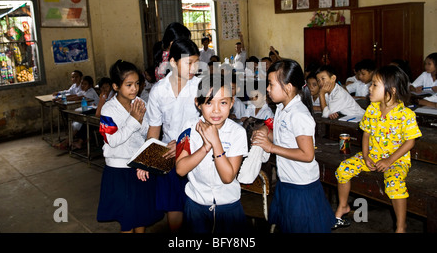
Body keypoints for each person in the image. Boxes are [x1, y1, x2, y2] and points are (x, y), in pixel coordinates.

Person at [334, 65, 422, 233]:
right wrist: (366, 156)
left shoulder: (405, 114)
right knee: (343, 169)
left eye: (375, 85)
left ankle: (401, 226)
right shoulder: (372, 109)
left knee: (395, 184)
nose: (369, 88)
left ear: (392, 90)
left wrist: (390, 160)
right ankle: (343, 206)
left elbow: (410, 142)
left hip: (396, 159)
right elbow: (366, 135)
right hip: (372, 156)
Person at [251, 59, 335, 233]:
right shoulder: (282, 108)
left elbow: (307, 154)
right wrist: (265, 135)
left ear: (288, 87)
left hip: (301, 186)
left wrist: (271, 147)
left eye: (271, 84)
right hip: (288, 180)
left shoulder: (299, 115)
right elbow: (283, 139)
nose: (267, 89)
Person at [176, 74, 248, 233]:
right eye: (209, 102)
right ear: (198, 103)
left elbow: (228, 177)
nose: (216, 110)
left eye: (223, 102)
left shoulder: (237, 132)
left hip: (228, 207)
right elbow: (181, 169)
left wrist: (216, 142)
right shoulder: (189, 129)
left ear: (231, 103)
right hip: (197, 205)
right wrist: (205, 147)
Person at [97, 60, 163, 233]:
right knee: (127, 219)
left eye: (137, 84)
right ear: (116, 86)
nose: (134, 88)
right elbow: (112, 140)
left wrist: (140, 124)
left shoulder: (140, 103)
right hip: (119, 169)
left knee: (140, 215)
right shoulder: (108, 109)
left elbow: (147, 133)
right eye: (129, 85)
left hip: (138, 166)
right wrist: (133, 121)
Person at [146, 37, 201, 232]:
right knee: (174, 206)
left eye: (196, 62)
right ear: (172, 62)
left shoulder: (200, 87)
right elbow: (154, 129)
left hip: (196, 154)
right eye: (189, 63)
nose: (194, 68)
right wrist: (147, 159)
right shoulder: (158, 91)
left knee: (197, 205)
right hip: (168, 156)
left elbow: (208, 123)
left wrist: (180, 144)